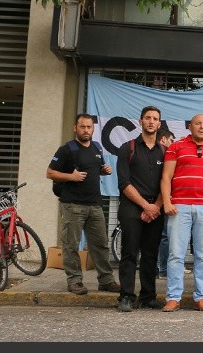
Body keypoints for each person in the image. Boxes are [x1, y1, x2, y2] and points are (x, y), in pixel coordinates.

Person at [160, 113, 203, 312]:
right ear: (190, 127)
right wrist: (166, 202)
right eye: (198, 123)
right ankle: (173, 298)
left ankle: (201, 297)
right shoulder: (176, 147)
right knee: (175, 255)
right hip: (179, 207)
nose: (202, 127)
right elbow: (166, 177)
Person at [47, 113, 121, 296]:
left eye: (89, 127)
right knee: (71, 245)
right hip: (72, 205)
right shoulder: (67, 149)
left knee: (101, 244)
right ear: (75, 128)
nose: (86, 130)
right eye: (82, 127)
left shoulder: (96, 147)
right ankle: (74, 281)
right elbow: (50, 173)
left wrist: (104, 170)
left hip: (95, 204)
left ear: (93, 129)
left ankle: (106, 280)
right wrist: (70, 177)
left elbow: (94, 170)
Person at [115, 106, 165, 312]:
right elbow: (124, 183)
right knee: (129, 253)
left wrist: (156, 207)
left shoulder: (165, 151)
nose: (151, 121)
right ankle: (126, 296)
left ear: (159, 124)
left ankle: (148, 296)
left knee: (151, 254)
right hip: (132, 207)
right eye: (148, 118)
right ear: (140, 121)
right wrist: (146, 206)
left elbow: (168, 182)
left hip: (157, 207)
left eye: (155, 119)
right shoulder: (128, 148)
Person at [155, 127, 175, 280]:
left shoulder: (168, 155)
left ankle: (166, 268)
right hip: (161, 201)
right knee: (165, 236)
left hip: (165, 200)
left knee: (166, 236)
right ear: (163, 140)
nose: (173, 144)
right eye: (171, 140)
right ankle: (164, 270)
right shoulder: (163, 155)